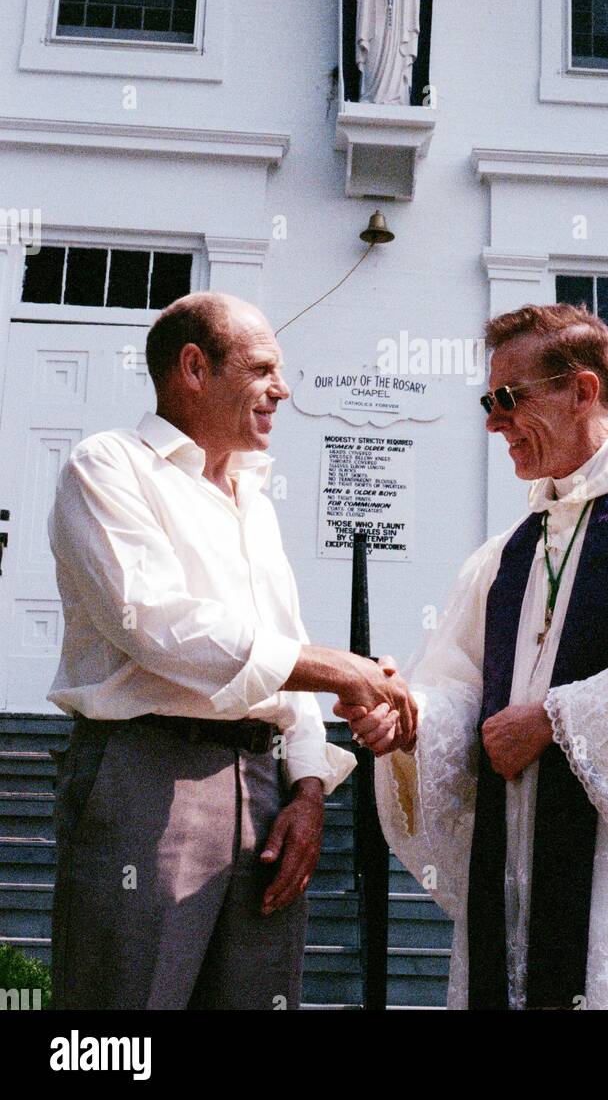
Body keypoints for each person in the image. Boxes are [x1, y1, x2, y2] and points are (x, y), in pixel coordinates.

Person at [336, 303, 608, 1010]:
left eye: (508, 399)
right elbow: (461, 680)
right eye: (488, 400)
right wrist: (410, 716)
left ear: (581, 391)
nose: (491, 421)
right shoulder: (513, 547)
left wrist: (552, 719)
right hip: (522, 854)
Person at [47, 291, 416, 1010]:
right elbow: (149, 621)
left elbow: (283, 651)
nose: (282, 389)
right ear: (193, 367)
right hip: (146, 780)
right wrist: (338, 666)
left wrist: (308, 789)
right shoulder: (109, 466)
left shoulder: (253, 499)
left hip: (264, 789)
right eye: (262, 369)